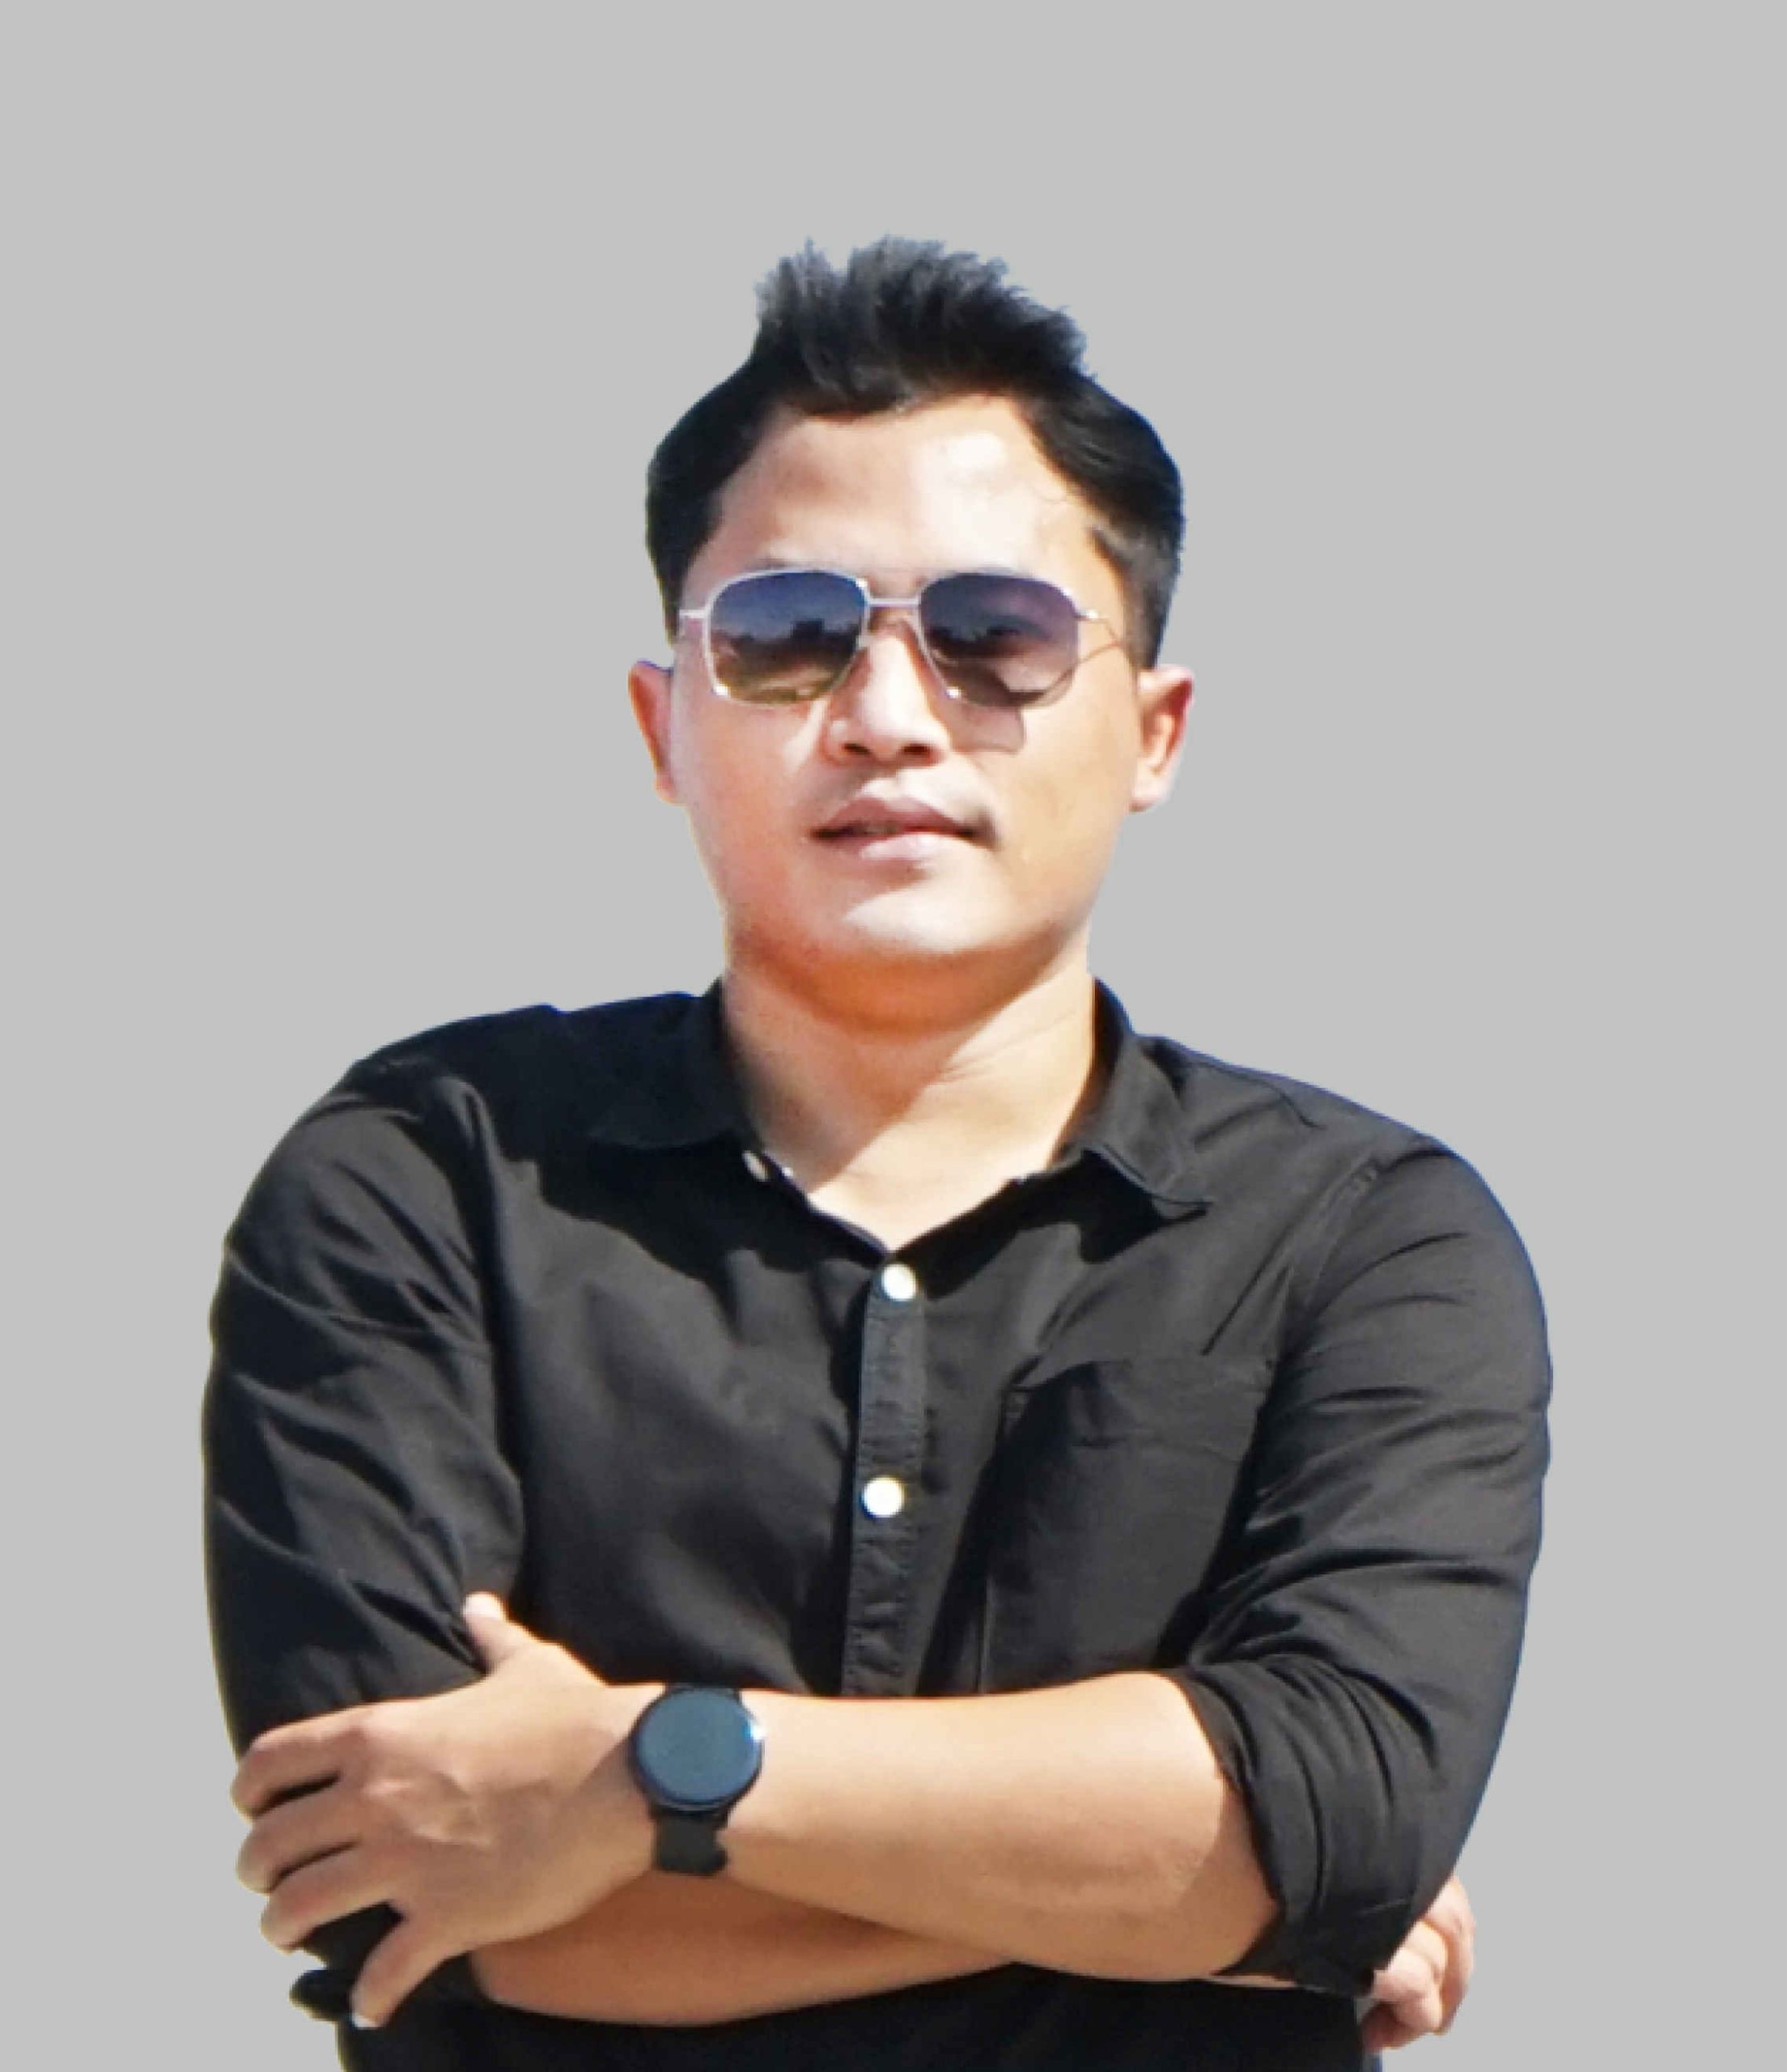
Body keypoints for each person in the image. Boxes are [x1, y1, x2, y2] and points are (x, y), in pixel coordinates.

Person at [205, 239, 1550, 2072]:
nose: (890, 713)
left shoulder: (1363, 1236)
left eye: (997, 634)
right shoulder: (425, 1181)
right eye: (786, 634)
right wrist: (1216, 1909)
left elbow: (1338, 1812)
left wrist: (652, 1773)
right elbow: (401, 1887)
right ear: (663, 723)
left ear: (1153, 730)